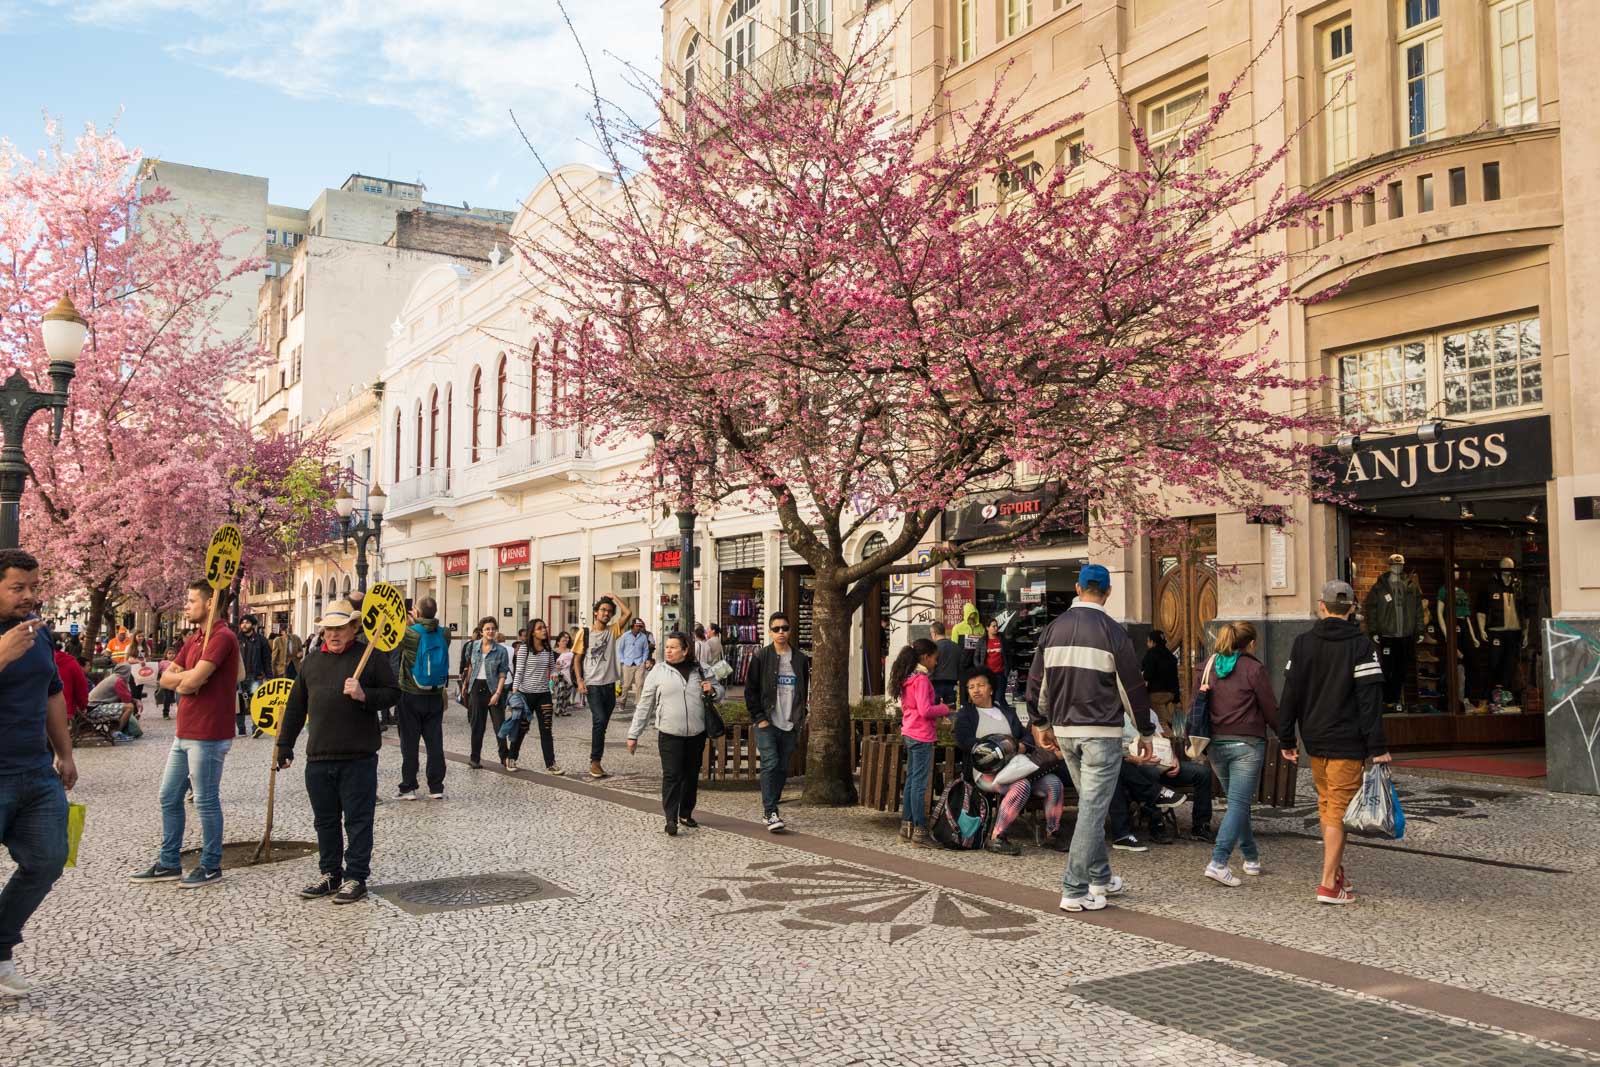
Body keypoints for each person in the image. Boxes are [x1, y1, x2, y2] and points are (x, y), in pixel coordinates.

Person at [1025, 563, 1156, 913]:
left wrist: (1040, 722)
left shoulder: (1053, 628)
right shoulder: (1114, 632)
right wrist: (1144, 730)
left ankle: (1100, 877)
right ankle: (1074, 888)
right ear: (1108, 592)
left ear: (1078, 588)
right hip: (1100, 732)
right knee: (1092, 810)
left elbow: (1037, 684)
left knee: (1090, 808)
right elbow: (1132, 688)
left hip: (1065, 731)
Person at [275, 599, 401, 905]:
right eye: (329, 629)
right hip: (318, 756)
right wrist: (284, 744)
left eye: (340, 628)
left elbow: (393, 693)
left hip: (358, 756)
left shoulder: (370, 658)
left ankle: (356, 876)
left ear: (354, 628)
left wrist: (363, 695)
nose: (333, 634)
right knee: (325, 820)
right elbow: (295, 706)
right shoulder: (312, 662)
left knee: (358, 820)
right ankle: (330, 873)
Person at [1278, 580, 1391, 906]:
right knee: (1337, 810)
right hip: (1347, 741)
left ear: (1321, 606)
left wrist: (1287, 736)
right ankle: (1328, 884)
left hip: (1314, 739)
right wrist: (1377, 747)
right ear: (1353, 609)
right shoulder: (1361, 646)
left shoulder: (1302, 644)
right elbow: (1369, 701)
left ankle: (1337, 873)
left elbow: (1290, 695)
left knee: (1329, 804)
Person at [0, 550, 77, 997]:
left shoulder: (39, 636)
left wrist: (64, 754)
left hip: (35, 770)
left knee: (49, 859)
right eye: (17, 588)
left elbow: (52, 692)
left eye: (33, 587)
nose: (29, 596)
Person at [131, 580, 240, 889]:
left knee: (205, 800)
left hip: (208, 733)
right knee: (168, 795)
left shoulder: (222, 637)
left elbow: (192, 682)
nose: (186, 606)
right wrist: (185, 679)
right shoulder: (195, 639)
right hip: (185, 731)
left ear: (209, 603)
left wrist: (185, 680)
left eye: (192, 601)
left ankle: (210, 865)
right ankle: (168, 862)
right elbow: (166, 678)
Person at [1192, 621, 1279, 886]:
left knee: (1236, 804)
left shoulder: (1206, 667)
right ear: (1251, 643)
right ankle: (1219, 862)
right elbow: (1270, 708)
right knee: (1239, 804)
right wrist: (1287, 738)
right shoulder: (1254, 669)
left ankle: (1251, 857)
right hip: (1247, 745)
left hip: (1215, 743)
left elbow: (1194, 705)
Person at [954, 666, 1067, 855]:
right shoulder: (967, 715)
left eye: (980, 685)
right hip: (986, 772)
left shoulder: (1007, 712)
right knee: (1021, 786)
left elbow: (1026, 737)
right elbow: (965, 741)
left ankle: (1052, 834)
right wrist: (994, 747)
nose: (976, 690)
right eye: (971, 687)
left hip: (1018, 767)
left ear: (991, 689)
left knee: (1054, 784)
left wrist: (1021, 745)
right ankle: (997, 837)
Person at [627, 632, 724, 835]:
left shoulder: (701, 669)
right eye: (667, 647)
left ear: (685, 649)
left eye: (673, 647)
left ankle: (685, 813)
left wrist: (712, 691)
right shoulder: (658, 671)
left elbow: (719, 691)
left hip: (697, 733)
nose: (668, 651)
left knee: (690, 776)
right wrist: (633, 734)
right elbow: (645, 704)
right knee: (672, 775)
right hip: (669, 733)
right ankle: (670, 819)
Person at [743, 611, 810, 832]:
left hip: (790, 722)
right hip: (767, 721)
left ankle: (770, 807)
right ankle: (770, 811)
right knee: (771, 763)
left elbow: (802, 691)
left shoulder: (800, 659)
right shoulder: (761, 657)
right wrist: (759, 718)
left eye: (785, 628)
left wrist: (800, 717)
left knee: (782, 768)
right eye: (776, 629)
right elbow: (750, 690)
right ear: (770, 632)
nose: (781, 632)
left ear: (790, 631)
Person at [889, 638, 953, 847]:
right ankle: (920, 830)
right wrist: (945, 709)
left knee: (911, 782)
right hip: (921, 734)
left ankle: (906, 827)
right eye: (935, 658)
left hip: (909, 731)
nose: (936, 662)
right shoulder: (922, 680)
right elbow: (926, 710)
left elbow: (914, 707)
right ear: (925, 657)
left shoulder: (908, 677)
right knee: (919, 784)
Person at [573, 593, 633, 779]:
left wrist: (614, 596)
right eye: (603, 610)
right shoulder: (585, 633)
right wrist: (580, 680)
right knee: (599, 721)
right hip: (593, 684)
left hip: (609, 685)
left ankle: (596, 760)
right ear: (595, 613)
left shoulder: (613, 630)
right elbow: (577, 658)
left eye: (609, 611)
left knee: (602, 723)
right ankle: (595, 762)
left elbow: (628, 612)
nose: (606, 614)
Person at [395, 597, 449, 800]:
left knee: (409, 742)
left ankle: (409, 786)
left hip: (410, 693)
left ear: (416, 612)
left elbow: (396, 641)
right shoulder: (444, 633)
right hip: (435, 695)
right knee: (435, 741)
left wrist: (410, 622)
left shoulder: (409, 633)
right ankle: (436, 786)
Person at [508, 619, 561, 774]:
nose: (544, 630)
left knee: (546, 729)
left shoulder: (548, 649)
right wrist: (515, 692)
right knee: (522, 728)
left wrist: (554, 674)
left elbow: (552, 668)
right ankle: (512, 758)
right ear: (533, 632)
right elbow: (519, 671)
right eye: (540, 628)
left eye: (544, 627)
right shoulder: (524, 649)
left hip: (544, 694)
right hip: (526, 695)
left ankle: (551, 763)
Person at [465, 617, 511, 769]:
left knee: (500, 725)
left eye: (493, 628)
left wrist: (497, 693)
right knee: (477, 725)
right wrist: (465, 686)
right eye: (487, 629)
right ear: (481, 631)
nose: (490, 631)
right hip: (476, 688)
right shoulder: (472, 647)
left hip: (494, 689)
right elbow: (470, 667)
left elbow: (503, 673)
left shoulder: (501, 650)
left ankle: (505, 757)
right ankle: (475, 758)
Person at [237, 615, 271, 737]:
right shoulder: (237, 639)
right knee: (239, 702)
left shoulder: (261, 640)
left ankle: (256, 727)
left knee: (256, 701)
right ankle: (241, 728)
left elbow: (267, 659)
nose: (244, 625)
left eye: (247, 622)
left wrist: (269, 676)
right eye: (242, 623)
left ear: (253, 624)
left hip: (255, 675)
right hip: (239, 676)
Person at [963, 618, 1014, 697]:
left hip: (1001, 673)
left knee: (1000, 697)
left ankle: (1004, 709)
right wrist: (980, 669)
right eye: (993, 626)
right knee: (988, 696)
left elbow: (1008, 655)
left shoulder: (1002, 640)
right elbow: (976, 657)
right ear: (987, 628)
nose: (996, 628)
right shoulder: (982, 641)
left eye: (997, 626)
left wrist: (1007, 669)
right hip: (987, 674)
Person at [84, 665, 139, 739]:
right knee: (129, 707)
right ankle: (116, 732)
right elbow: (127, 699)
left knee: (124, 706)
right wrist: (136, 700)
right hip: (95, 709)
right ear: (126, 672)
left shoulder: (114, 677)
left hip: (91, 707)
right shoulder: (118, 681)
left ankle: (117, 730)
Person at [1141, 630, 1182, 723]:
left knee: (1161, 722)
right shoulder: (1170, 656)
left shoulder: (1151, 654)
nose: (1147, 644)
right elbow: (1175, 678)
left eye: (1148, 641)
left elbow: (1148, 674)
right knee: (1171, 721)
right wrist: (1177, 699)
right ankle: (1175, 734)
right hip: (1171, 695)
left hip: (1156, 694)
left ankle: (1170, 736)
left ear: (1153, 642)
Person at [51, 638, 89, 724]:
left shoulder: (38, 661)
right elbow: (81, 688)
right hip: (65, 711)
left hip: (39, 712)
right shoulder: (71, 663)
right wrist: (83, 706)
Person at [618, 617, 653, 708]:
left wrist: (644, 661)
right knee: (626, 685)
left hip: (639, 663)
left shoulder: (643, 637)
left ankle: (638, 703)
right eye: (637, 626)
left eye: (640, 626)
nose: (639, 628)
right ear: (632, 626)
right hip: (627, 663)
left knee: (640, 684)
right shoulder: (625, 636)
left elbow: (646, 650)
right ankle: (623, 701)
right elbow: (620, 649)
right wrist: (623, 661)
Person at [928, 620, 962, 707]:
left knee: (935, 709)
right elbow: (960, 665)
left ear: (934, 633)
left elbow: (930, 667)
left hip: (935, 683)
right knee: (950, 709)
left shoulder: (933, 648)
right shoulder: (956, 647)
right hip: (952, 682)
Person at [551, 631, 577, 716]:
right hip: (559, 674)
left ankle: (564, 710)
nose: (565, 642)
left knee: (567, 692)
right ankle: (558, 709)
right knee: (561, 690)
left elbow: (575, 663)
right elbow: (551, 664)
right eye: (563, 640)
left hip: (569, 674)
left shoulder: (571, 651)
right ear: (558, 642)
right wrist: (555, 668)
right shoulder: (554, 652)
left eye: (566, 640)